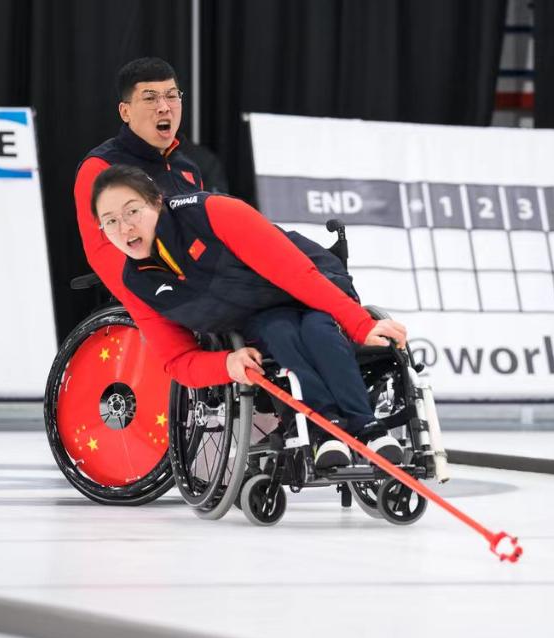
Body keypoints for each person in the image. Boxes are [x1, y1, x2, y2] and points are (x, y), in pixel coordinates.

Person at [90, 164, 408, 467]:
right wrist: (226, 364)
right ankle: (325, 429)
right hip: (262, 316)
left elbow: (297, 274)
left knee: (318, 329)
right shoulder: (137, 285)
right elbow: (177, 360)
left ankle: (368, 427)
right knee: (279, 332)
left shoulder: (212, 213)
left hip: (313, 286)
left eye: (132, 211)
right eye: (110, 221)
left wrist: (360, 323)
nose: (125, 227)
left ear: (157, 202)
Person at [73, 57, 204, 347]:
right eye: (150, 98)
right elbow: (104, 252)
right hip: (150, 298)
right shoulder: (101, 167)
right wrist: (166, 298)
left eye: (172, 95)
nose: (164, 106)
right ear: (125, 111)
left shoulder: (187, 169)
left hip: (198, 290)